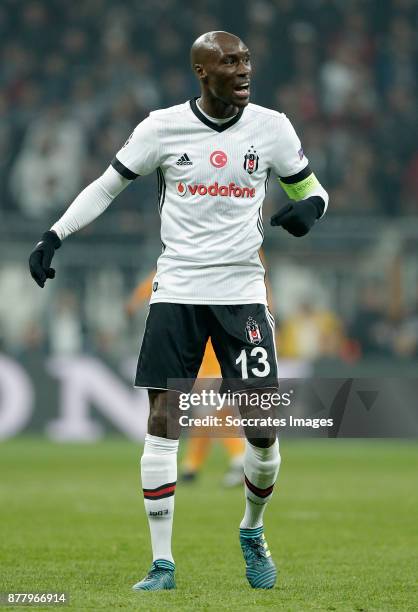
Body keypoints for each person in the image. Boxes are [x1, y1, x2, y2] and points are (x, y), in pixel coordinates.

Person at [29, 31, 329, 591]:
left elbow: (314, 189)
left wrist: (310, 207)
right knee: (163, 424)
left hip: (243, 294)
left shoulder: (273, 127)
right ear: (202, 72)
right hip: (177, 291)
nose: (244, 70)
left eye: (246, 61)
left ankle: (252, 529)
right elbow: (106, 186)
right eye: (230, 62)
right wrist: (55, 235)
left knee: (261, 431)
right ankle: (162, 563)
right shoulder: (161, 128)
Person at [126, 269, 246, 487]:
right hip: (214, 354)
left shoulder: (190, 267)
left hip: (210, 356)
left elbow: (161, 276)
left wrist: (135, 300)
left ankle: (239, 457)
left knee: (210, 413)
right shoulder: (219, 267)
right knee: (205, 415)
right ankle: (192, 465)